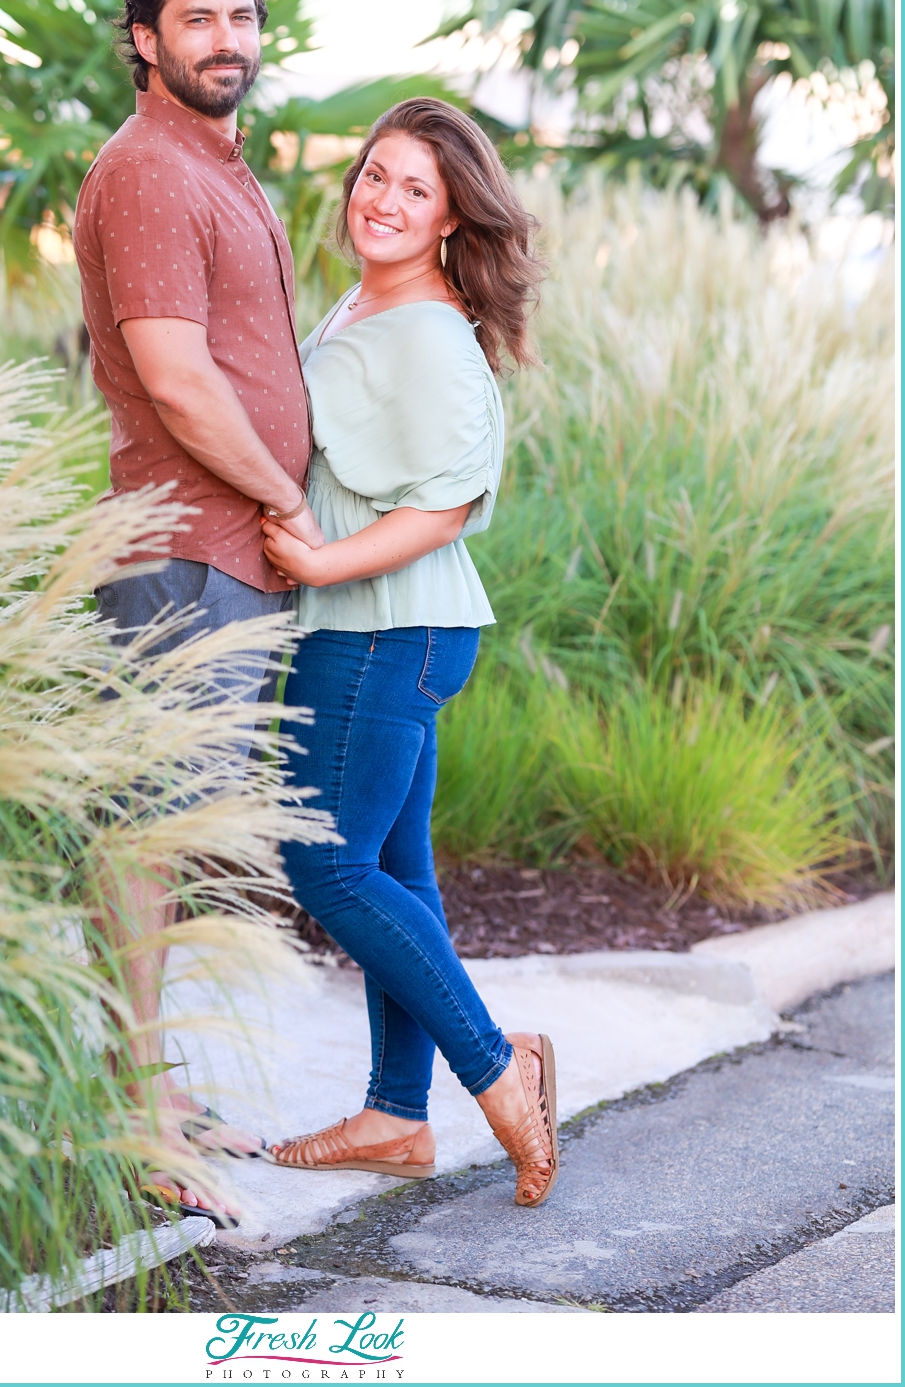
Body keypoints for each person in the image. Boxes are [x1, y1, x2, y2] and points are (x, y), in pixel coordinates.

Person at [261, 98, 559, 1207]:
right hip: (390, 629)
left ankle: (498, 1067)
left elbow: (450, 502)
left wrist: (321, 564)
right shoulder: (368, 301)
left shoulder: (429, 332)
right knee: (392, 875)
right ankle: (395, 1117)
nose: (381, 201)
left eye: (414, 190)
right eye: (374, 176)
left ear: (449, 219)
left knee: (326, 868)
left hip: (386, 629)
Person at [73, 0, 323, 1222]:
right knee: (152, 840)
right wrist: (288, 495)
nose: (227, 41)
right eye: (198, 19)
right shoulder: (150, 171)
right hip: (183, 552)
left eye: (241, 16)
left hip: (232, 559)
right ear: (144, 37)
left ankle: (154, 1090)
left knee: (172, 839)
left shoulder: (218, 164)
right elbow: (173, 374)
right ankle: (133, 1121)